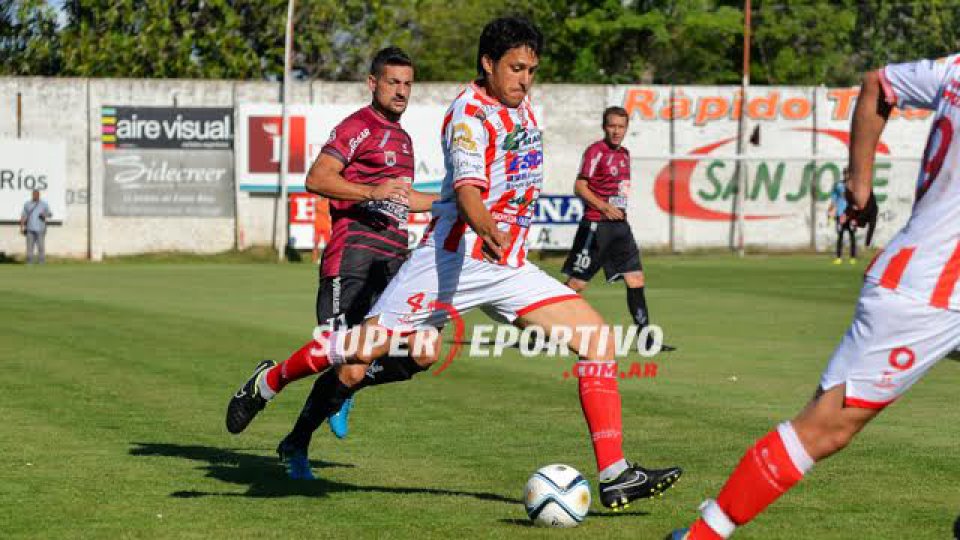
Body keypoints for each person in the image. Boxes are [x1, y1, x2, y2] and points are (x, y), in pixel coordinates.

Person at [227, 16, 682, 509]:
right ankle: (269, 381)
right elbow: (467, 193)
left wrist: (500, 240)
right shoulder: (468, 115)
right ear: (487, 63)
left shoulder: (522, 105)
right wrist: (487, 228)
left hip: (507, 266)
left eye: (531, 69)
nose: (525, 79)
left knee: (597, 341)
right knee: (359, 349)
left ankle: (614, 474)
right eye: (515, 68)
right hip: (452, 261)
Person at [669, 54, 960, 539]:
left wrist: (859, 184)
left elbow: (879, 84)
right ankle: (704, 534)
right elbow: (878, 86)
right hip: (925, 292)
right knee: (826, 427)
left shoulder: (953, 68)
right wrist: (858, 183)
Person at [252, 47, 438, 480]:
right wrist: (371, 192)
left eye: (407, 84)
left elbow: (404, 199)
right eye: (393, 82)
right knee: (345, 363)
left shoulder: (404, 139)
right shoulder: (358, 127)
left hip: (395, 264)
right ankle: (296, 443)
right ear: (373, 83)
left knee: (425, 351)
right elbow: (317, 178)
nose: (401, 91)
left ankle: (348, 385)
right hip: (352, 257)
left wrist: (455, 203)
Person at [562, 107, 675, 350]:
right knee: (577, 284)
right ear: (604, 127)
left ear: (626, 129)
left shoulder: (625, 154)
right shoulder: (595, 151)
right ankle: (540, 330)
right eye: (612, 126)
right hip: (596, 226)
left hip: (620, 227)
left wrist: (616, 212)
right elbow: (579, 187)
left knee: (636, 278)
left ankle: (646, 341)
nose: (616, 131)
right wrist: (603, 207)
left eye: (621, 127)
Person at [827, 169, 857, 265]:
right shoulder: (838, 185)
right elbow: (834, 199)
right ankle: (839, 257)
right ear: (843, 175)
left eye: (848, 174)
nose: (846, 176)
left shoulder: (855, 186)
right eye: (845, 174)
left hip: (851, 215)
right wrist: (830, 210)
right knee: (840, 236)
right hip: (840, 214)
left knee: (852, 236)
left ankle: (852, 257)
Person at [20, 190, 52, 264]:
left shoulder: (44, 204)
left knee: (41, 247)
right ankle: (29, 262)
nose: (35, 196)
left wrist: (44, 215)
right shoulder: (27, 204)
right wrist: (21, 227)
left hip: (40, 229)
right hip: (30, 229)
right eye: (34, 195)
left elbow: (50, 214)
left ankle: (41, 262)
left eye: (37, 195)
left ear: (39, 195)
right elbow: (23, 216)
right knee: (29, 247)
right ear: (32, 195)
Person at [311, 195, 331, 264]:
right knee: (316, 243)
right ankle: (314, 260)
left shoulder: (327, 202)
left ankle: (327, 259)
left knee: (328, 244)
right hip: (318, 226)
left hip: (326, 226)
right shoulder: (318, 202)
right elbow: (317, 207)